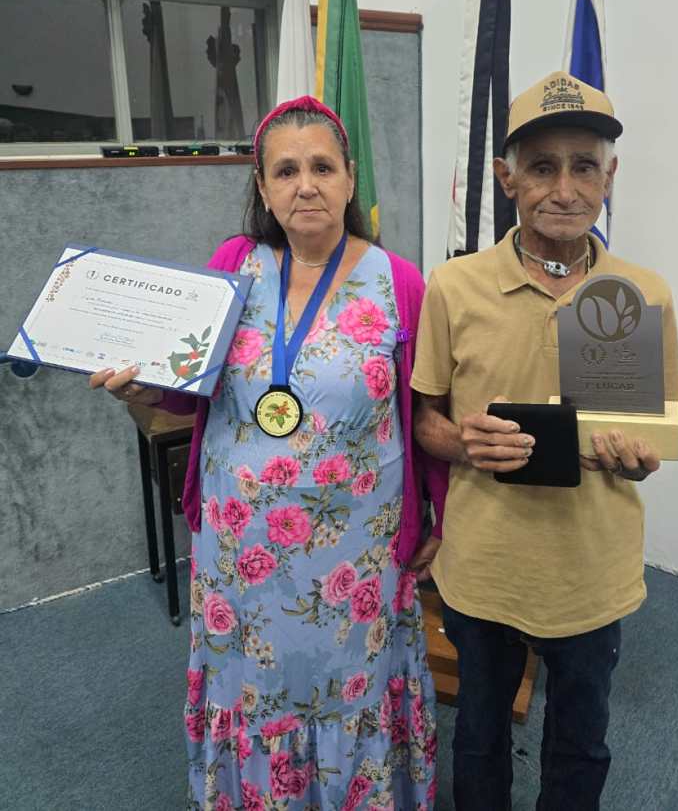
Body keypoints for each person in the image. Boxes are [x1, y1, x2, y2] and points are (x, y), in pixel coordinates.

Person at [91, 95, 446, 811]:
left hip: (355, 555)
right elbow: (188, 390)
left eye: (322, 167)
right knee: (253, 685)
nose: (305, 186)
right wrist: (136, 388)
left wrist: (438, 515)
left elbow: (422, 413)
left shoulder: (400, 283)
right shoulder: (235, 266)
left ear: (350, 178)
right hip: (241, 546)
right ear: (262, 185)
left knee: (348, 683)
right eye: (285, 171)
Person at [411, 71, 678, 811]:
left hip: (591, 571)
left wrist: (640, 460)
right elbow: (424, 420)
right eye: (540, 167)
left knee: (581, 741)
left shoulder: (643, 295)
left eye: (584, 167)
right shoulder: (453, 287)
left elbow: (652, 442)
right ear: (507, 180)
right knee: (478, 736)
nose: (564, 189)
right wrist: (464, 443)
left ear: (609, 178)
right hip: (485, 567)